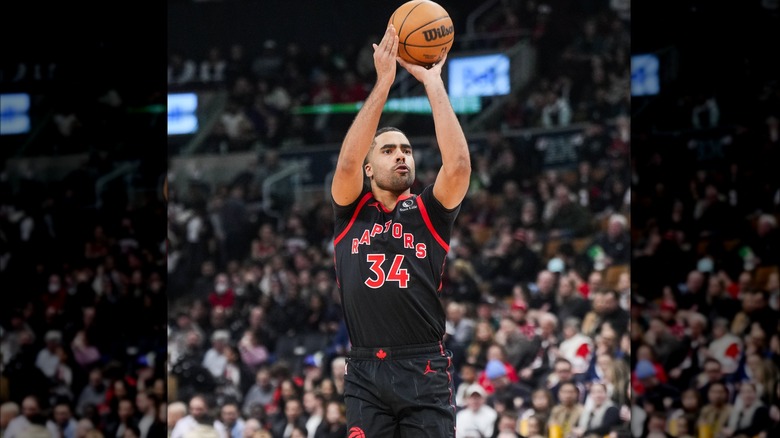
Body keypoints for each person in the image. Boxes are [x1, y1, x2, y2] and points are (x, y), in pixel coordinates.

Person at [329, 24, 471, 437]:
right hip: (365, 369)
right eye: (389, 150)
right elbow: (346, 164)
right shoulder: (351, 212)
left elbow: (459, 166)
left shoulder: (430, 212)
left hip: (423, 367)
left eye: (407, 149)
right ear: (369, 168)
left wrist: (433, 82)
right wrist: (384, 82)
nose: (401, 156)